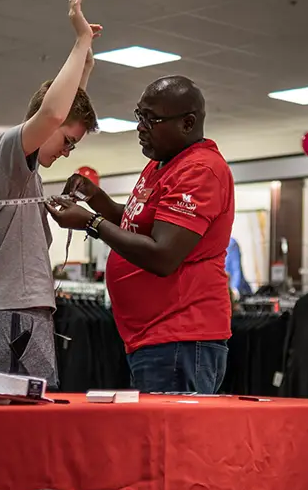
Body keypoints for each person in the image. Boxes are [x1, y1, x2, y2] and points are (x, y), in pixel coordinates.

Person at [48, 75, 235, 394]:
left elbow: (163, 255)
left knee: (172, 442)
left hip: (180, 338)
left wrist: (92, 223)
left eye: (151, 118)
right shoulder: (162, 163)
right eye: (139, 115)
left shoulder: (200, 171)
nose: (140, 126)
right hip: (154, 338)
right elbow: (138, 222)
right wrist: (97, 199)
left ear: (187, 123)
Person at [0, 0, 100, 388]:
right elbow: (56, 111)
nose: (67, 152)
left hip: (25, 313)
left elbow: (65, 111)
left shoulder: (27, 175)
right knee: (11, 431)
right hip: (12, 315)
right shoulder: (4, 157)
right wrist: (80, 41)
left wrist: (86, 63)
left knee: (33, 428)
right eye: (68, 141)